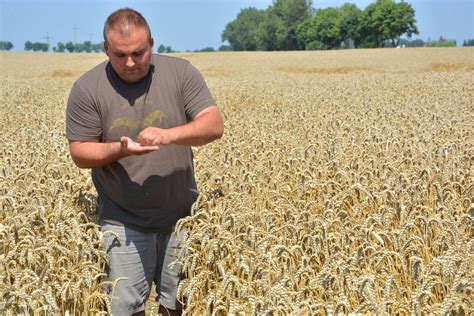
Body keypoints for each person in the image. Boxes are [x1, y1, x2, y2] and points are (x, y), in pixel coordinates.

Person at [65, 8, 223, 316]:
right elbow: (80, 152)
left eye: (138, 53)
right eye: (119, 55)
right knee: (125, 308)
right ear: (105, 49)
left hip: (181, 218)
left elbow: (213, 125)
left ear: (151, 43)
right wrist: (121, 150)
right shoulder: (87, 88)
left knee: (178, 305)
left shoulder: (181, 73)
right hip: (122, 221)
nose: (130, 63)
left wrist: (168, 135)